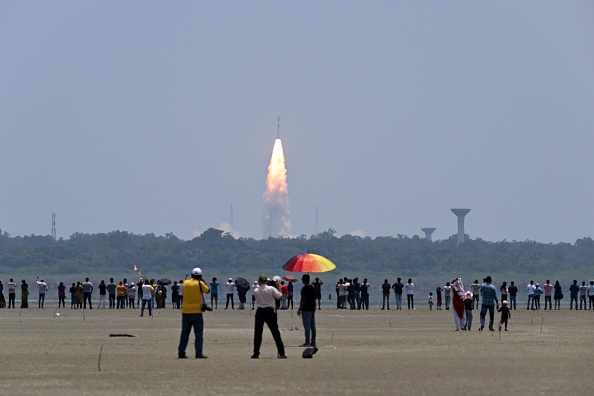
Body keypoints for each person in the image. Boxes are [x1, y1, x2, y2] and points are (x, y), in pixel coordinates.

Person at [177, 267, 210, 359]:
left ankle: (181, 352)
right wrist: (203, 281)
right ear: (200, 276)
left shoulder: (185, 283)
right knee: (198, 334)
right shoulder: (200, 283)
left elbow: (183, 292)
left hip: (186, 311)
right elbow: (207, 290)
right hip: (197, 312)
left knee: (184, 333)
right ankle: (198, 353)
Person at [251, 274, 286, 359]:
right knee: (275, 332)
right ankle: (281, 353)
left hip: (260, 311)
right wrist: (279, 288)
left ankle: (256, 352)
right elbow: (281, 298)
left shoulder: (256, 290)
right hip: (270, 311)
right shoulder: (271, 289)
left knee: (258, 333)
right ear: (267, 281)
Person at [298, 274, 317, 347]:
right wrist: (314, 307)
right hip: (312, 308)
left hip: (306, 309)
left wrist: (300, 308)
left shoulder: (304, 289)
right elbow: (314, 299)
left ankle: (307, 342)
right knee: (313, 326)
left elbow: (303, 299)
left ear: (303, 280)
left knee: (307, 326)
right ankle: (313, 342)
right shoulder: (312, 288)